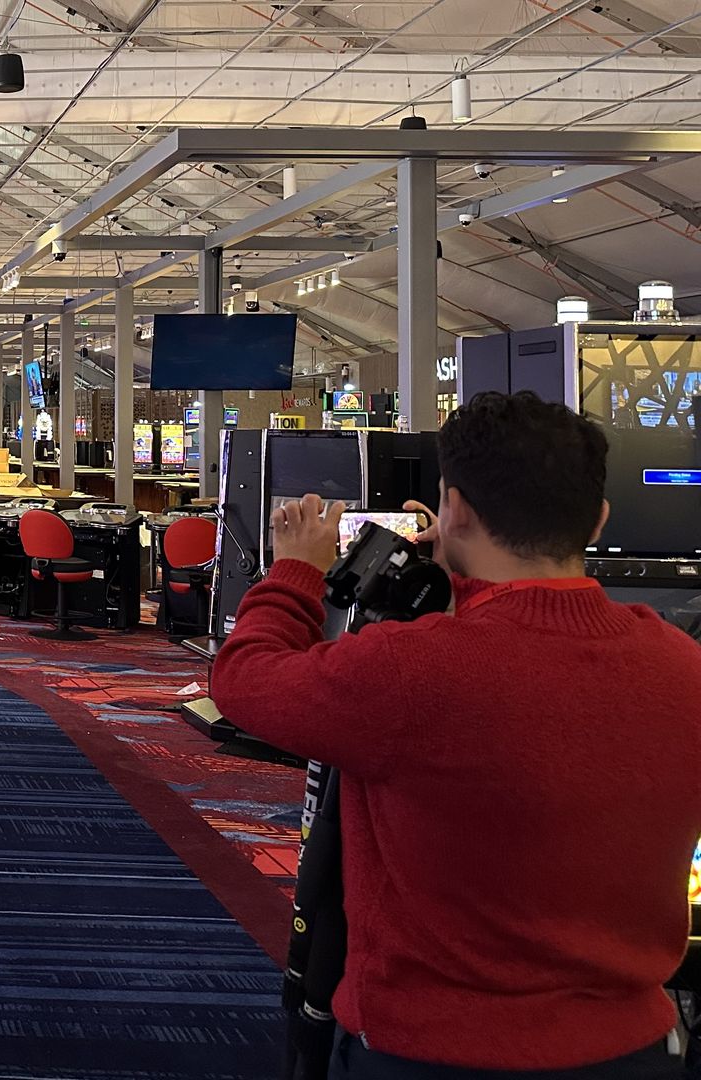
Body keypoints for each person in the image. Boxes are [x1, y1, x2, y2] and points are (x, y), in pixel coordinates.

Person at [211, 392, 701, 1079]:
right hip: (636, 1049)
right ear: (597, 519)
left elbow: (246, 681)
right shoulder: (683, 666)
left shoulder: (411, 673)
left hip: (429, 1051)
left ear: (457, 509)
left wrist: (295, 570)